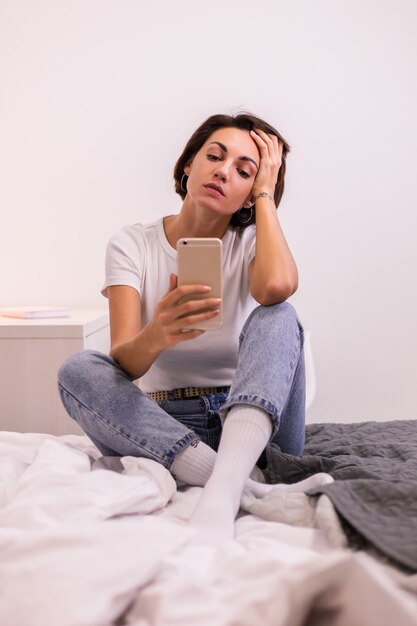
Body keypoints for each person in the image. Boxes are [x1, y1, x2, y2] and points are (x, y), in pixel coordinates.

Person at [58, 112, 330, 544]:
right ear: (189, 165)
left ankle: (223, 490)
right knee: (77, 370)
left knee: (279, 314)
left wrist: (265, 194)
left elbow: (278, 287)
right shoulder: (133, 244)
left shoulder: (254, 243)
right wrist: (157, 334)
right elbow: (121, 365)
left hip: (251, 422)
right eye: (214, 157)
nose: (224, 171)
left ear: (249, 195)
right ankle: (244, 486)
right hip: (168, 425)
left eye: (244, 171)